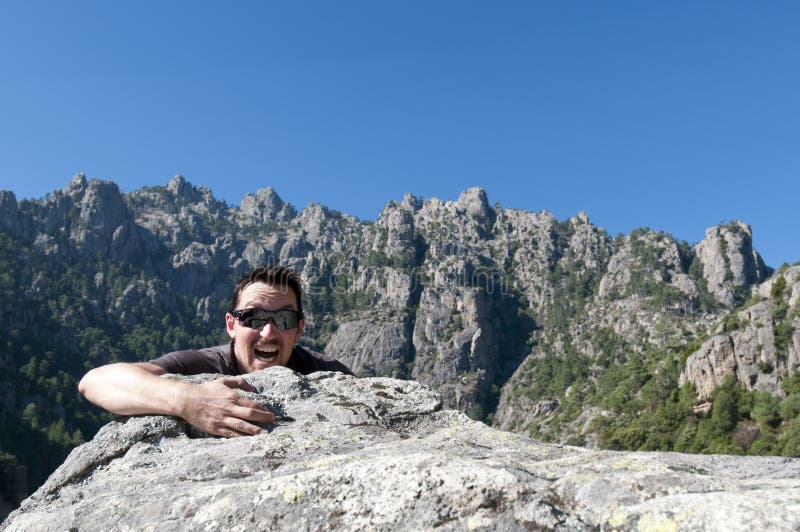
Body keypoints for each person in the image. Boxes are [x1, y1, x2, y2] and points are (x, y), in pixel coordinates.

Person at [79, 265, 352, 438]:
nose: (268, 333)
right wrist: (190, 400)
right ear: (231, 325)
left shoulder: (328, 374)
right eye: (253, 317)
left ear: (299, 329)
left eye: (284, 320)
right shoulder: (204, 364)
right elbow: (95, 382)